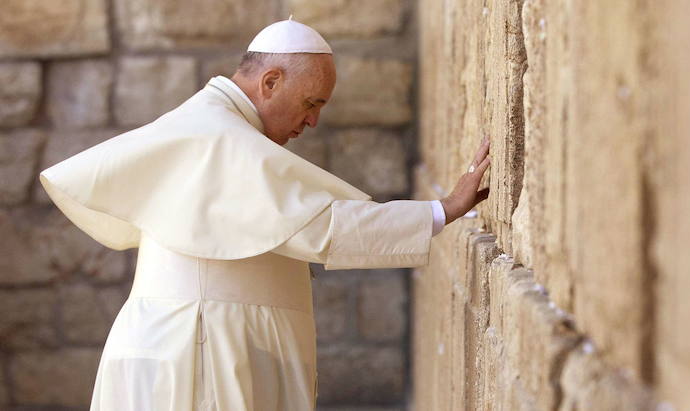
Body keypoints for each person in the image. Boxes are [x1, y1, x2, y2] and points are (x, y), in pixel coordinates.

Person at [38, 18, 490, 411]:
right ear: (271, 82)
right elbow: (319, 225)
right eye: (311, 103)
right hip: (200, 358)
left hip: (194, 347)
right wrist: (442, 211)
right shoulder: (221, 139)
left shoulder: (213, 126)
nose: (312, 122)